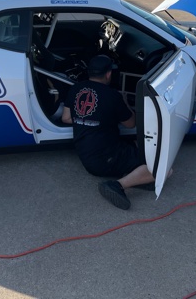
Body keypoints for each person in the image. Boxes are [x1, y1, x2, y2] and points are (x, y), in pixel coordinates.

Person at [62, 55, 155, 210]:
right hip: (105, 159)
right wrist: (124, 102)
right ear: (108, 74)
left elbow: (66, 118)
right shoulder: (113, 96)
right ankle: (117, 185)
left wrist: (88, 117)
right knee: (164, 169)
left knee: (135, 145)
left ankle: (135, 177)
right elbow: (131, 124)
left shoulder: (76, 89)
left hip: (86, 156)